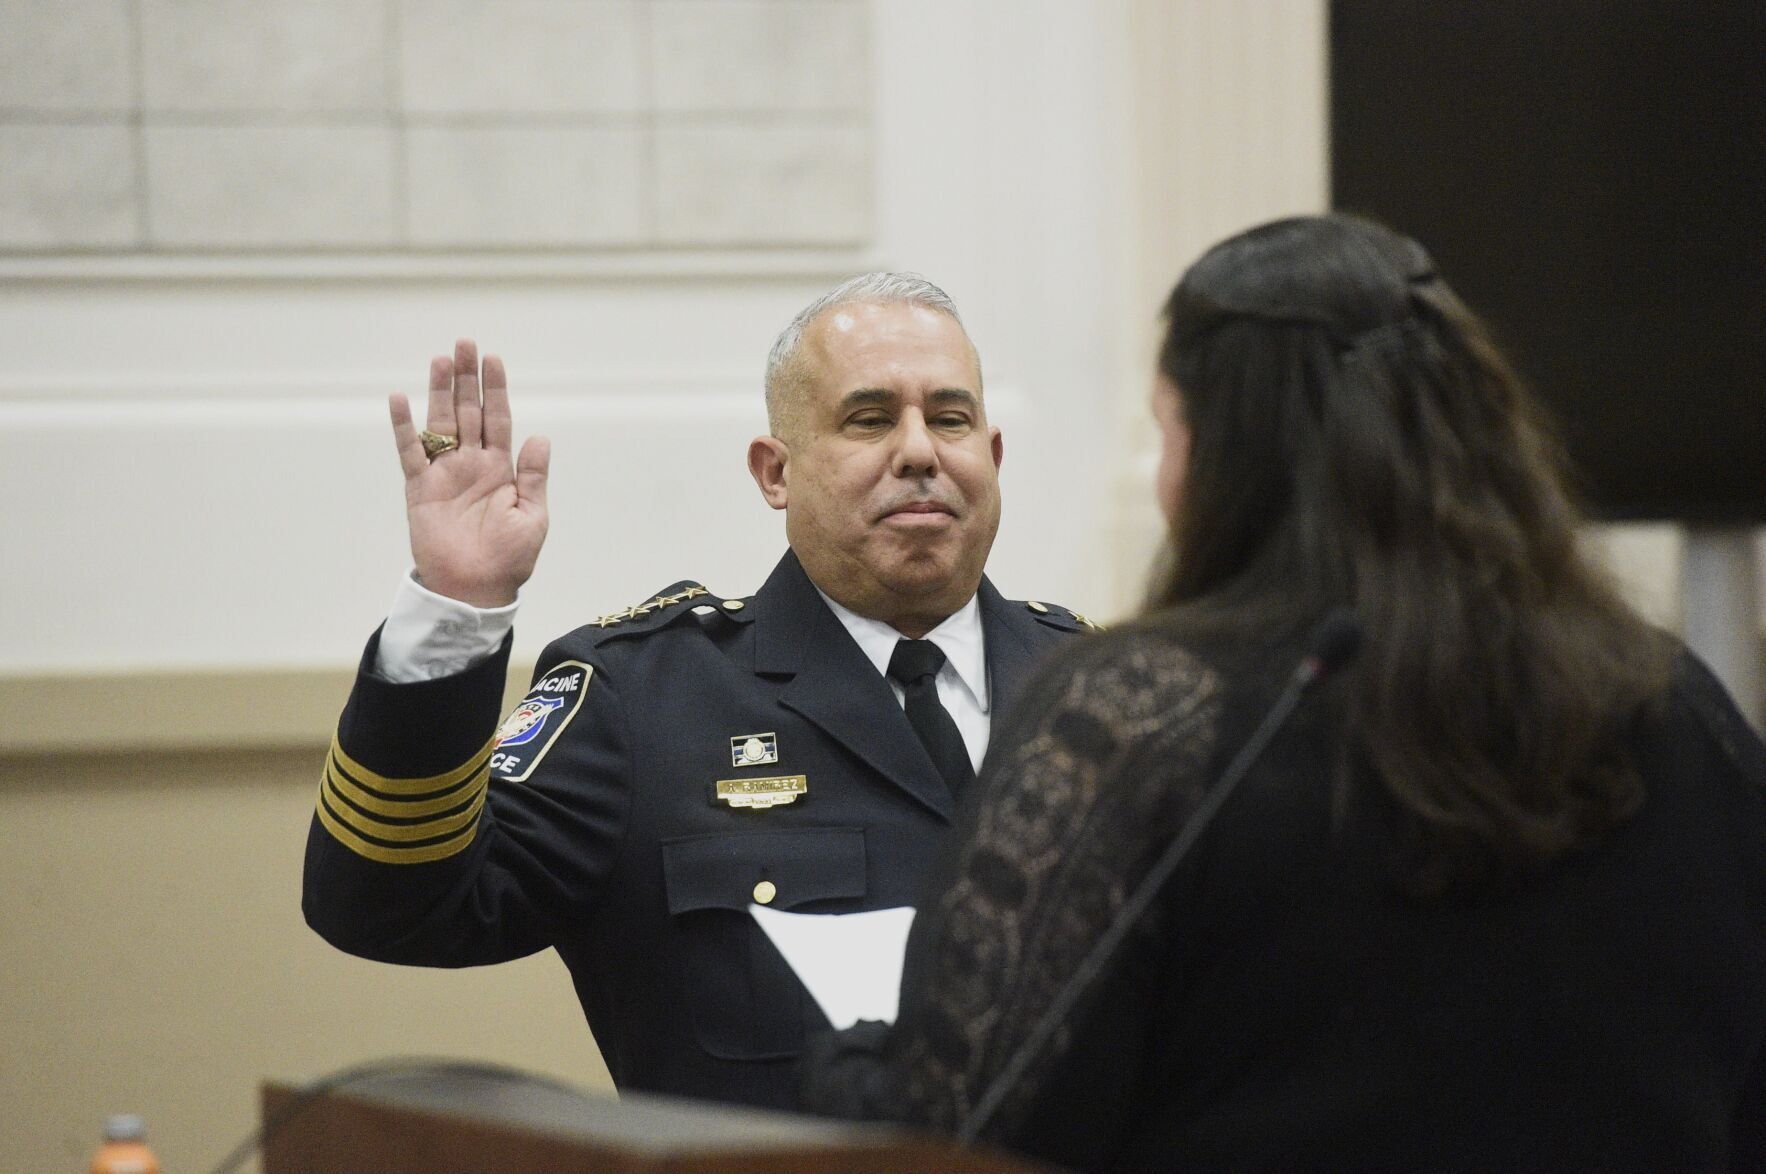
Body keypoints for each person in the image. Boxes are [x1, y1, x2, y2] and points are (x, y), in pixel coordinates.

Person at [800, 216, 1766, 1172]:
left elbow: (956, 1131)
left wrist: (843, 1062)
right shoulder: (1674, 703)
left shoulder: (1140, 719)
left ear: (1224, 458)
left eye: (1166, 431)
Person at [300, 273, 1089, 1111]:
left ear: (992, 458)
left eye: (950, 418)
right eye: (868, 419)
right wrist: (455, 607)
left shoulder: (1103, 692)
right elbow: (389, 905)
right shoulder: (645, 701)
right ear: (774, 472)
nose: (920, 451)